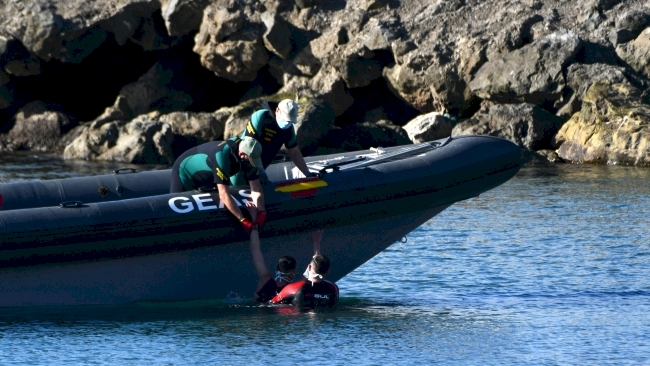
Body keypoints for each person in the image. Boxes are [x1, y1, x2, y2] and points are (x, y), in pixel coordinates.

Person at [169, 136, 266, 234]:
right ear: (241, 154)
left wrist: (262, 212)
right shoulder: (222, 155)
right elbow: (223, 195)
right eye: (251, 160)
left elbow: (255, 188)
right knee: (176, 217)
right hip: (185, 171)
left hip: (209, 174)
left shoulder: (250, 158)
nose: (252, 163)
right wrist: (242, 219)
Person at [230, 99, 314, 186]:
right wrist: (261, 173)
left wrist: (307, 173)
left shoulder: (289, 129)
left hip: (260, 169)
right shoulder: (261, 117)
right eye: (285, 120)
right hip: (241, 165)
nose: (287, 123)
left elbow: (294, 153)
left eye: (290, 121)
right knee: (237, 187)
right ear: (277, 110)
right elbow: (249, 147)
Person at [269, 230, 339, 308]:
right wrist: (316, 242)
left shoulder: (293, 288)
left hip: (300, 318)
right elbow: (317, 262)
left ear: (309, 267)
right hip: (325, 318)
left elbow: (272, 302)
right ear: (328, 272)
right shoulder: (333, 288)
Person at [248, 204, 298, 302]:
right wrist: (316, 243)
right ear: (292, 274)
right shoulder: (293, 289)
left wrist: (253, 216)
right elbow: (313, 269)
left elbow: (255, 250)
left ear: (277, 268)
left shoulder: (265, 279)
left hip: (258, 314)